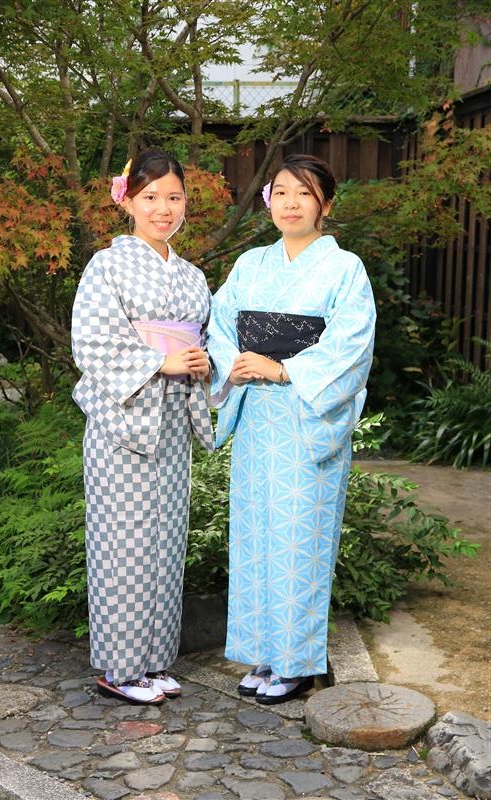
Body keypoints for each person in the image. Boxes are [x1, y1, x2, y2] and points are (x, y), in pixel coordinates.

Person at [206, 153, 376, 705]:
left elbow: (351, 344)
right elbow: (218, 324)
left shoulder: (344, 268)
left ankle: (297, 663)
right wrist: (235, 364)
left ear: (326, 203)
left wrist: (282, 369)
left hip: (306, 421)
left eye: (304, 193)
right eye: (280, 192)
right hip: (257, 418)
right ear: (268, 201)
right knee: (256, 537)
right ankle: (264, 653)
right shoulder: (251, 264)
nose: (291, 203)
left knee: (300, 542)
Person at [71, 149, 214, 705]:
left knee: (166, 542)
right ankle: (118, 669)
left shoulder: (193, 276)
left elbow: (205, 338)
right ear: (126, 201)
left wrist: (202, 361)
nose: (163, 208)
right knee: (122, 544)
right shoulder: (106, 266)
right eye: (150, 197)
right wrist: (162, 361)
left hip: (172, 420)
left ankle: (153, 662)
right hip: (122, 423)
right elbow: (92, 342)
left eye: (174, 197)